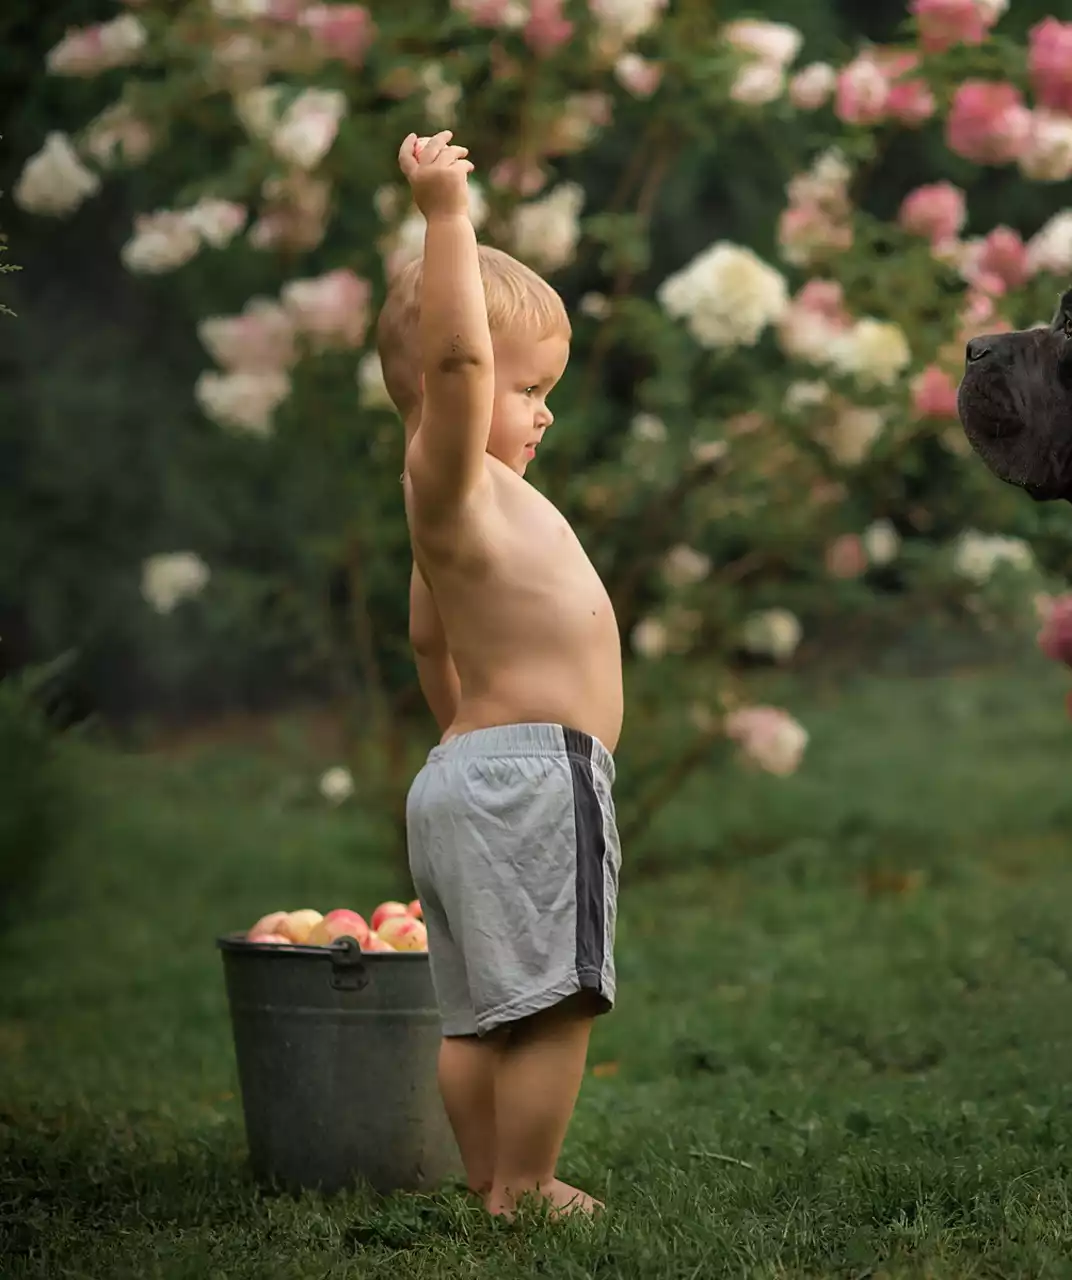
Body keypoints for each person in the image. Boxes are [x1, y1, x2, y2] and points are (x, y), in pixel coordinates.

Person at [374, 128, 624, 1219]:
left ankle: (486, 1178)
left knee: (477, 1011)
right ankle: (525, 1181)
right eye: (530, 387)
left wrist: (465, 747)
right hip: (532, 775)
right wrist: (444, 216)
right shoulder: (453, 472)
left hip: (466, 773)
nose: (542, 408)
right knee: (558, 1001)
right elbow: (460, 364)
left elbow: (432, 640)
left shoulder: (451, 528)